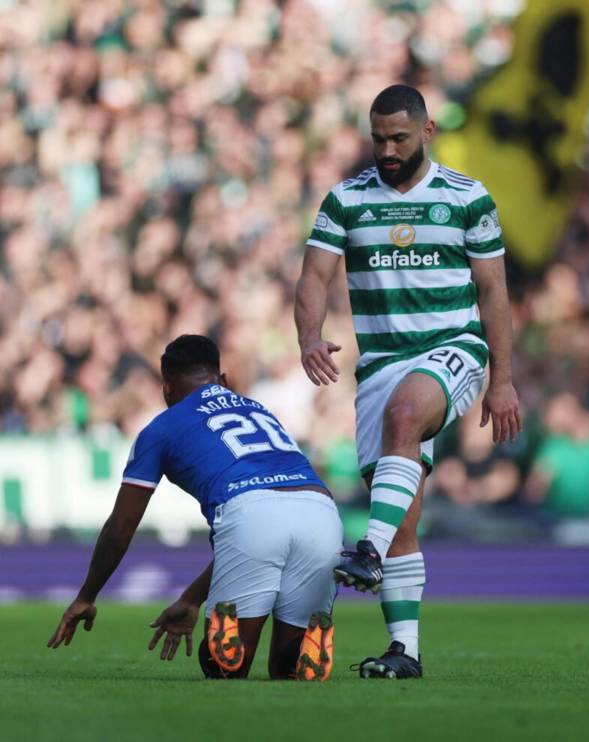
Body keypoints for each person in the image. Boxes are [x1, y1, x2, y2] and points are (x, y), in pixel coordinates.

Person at [294, 84, 521, 679]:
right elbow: (315, 276)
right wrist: (309, 335)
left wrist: (502, 381)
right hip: (380, 365)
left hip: (453, 348)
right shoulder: (346, 200)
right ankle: (405, 651)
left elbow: (495, 292)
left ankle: (363, 549)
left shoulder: (467, 198)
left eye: (398, 137)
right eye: (378, 139)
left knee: (403, 421)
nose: (387, 150)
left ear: (427, 131)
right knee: (402, 519)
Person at [48, 334, 343, 681]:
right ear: (224, 381)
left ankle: (226, 647)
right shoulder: (259, 409)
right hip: (321, 510)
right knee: (288, 673)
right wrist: (191, 598)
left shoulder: (160, 429)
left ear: (166, 389)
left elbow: (121, 527)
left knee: (222, 669)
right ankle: (301, 649)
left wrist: (87, 594)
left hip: (250, 512)